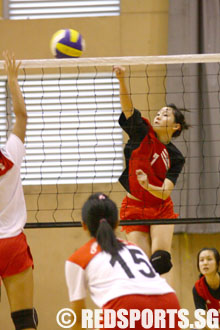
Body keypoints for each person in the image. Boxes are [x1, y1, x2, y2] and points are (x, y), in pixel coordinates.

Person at [65, 192, 181, 330]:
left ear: (84, 225)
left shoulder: (77, 259)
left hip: (123, 306)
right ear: (117, 223)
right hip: (168, 302)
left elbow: (78, 320)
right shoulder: (134, 249)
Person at [113, 66, 189, 275]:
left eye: (165, 115)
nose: (158, 116)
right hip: (134, 207)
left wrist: (148, 185)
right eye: (158, 113)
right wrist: (121, 80)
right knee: (141, 267)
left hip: (160, 206)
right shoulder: (142, 133)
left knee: (160, 262)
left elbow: (165, 191)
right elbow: (128, 109)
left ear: (176, 127)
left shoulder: (176, 156)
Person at [0, 52, 38, 329]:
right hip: (12, 244)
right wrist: (12, 81)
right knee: (24, 320)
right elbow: (22, 115)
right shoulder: (9, 155)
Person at [193, 248, 220, 314]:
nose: (205, 263)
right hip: (214, 323)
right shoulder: (198, 288)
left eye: (209, 259)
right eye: (201, 260)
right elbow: (202, 317)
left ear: (217, 263)